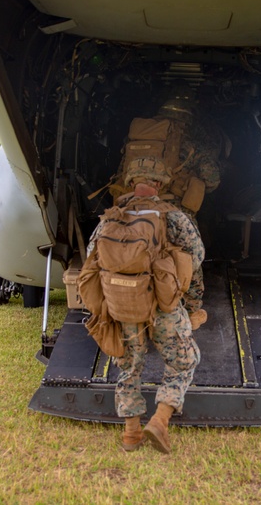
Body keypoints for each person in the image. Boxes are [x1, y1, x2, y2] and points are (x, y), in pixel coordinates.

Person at [87, 157, 204, 454]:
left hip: (123, 306)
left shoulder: (110, 217)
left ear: (130, 181)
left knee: (129, 367)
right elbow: (197, 255)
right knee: (183, 360)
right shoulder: (171, 215)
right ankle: (160, 420)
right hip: (163, 306)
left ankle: (131, 434)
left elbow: (91, 258)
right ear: (159, 183)